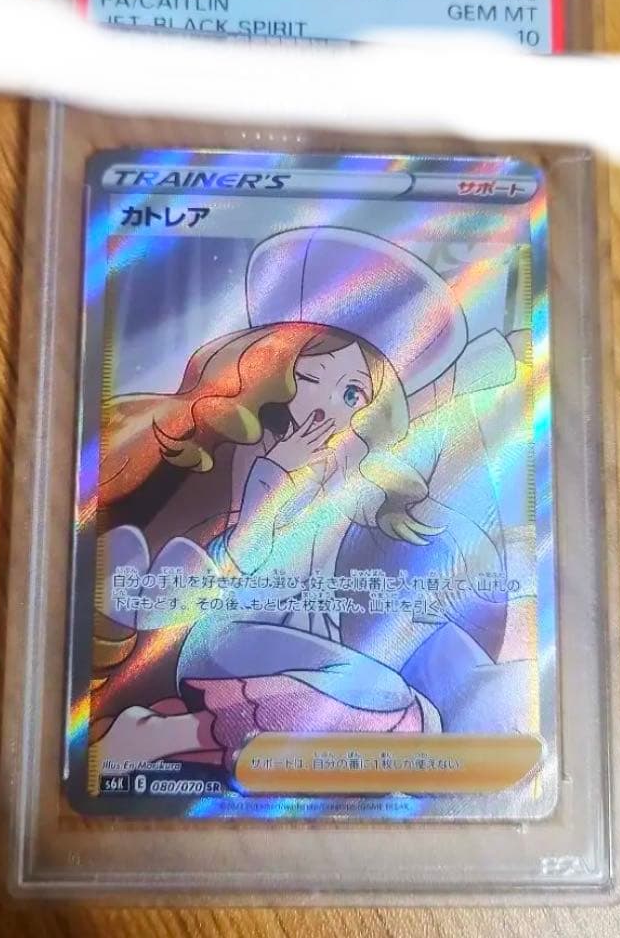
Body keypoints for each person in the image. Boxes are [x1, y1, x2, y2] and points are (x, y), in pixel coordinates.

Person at [89, 227, 520, 770]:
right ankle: (168, 733)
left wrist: (486, 368)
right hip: (230, 641)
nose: (327, 407)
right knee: (383, 698)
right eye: (311, 377)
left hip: (316, 642)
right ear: (272, 370)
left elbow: (416, 417)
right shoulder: (250, 457)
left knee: (442, 674)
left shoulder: (344, 462)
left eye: (352, 393)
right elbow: (232, 567)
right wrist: (274, 483)